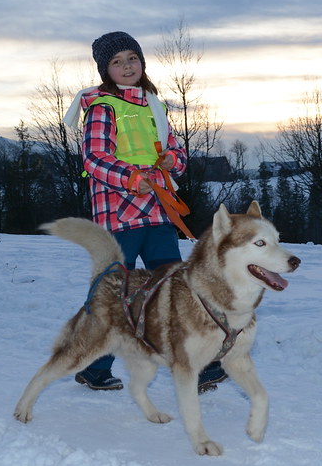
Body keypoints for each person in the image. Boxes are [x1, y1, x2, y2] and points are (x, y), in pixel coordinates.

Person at [62, 31, 228, 393]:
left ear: (142, 62)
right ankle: (92, 365)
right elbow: (94, 158)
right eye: (117, 61)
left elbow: (177, 152)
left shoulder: (155, 105)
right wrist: (131, 178)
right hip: (119, 214)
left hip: (157, 213)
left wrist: (172, 159)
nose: (126, 66)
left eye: (131, 58)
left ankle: (198, 365)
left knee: (174, 288)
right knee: (114, 293)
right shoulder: (103, 106)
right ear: (106, 69)